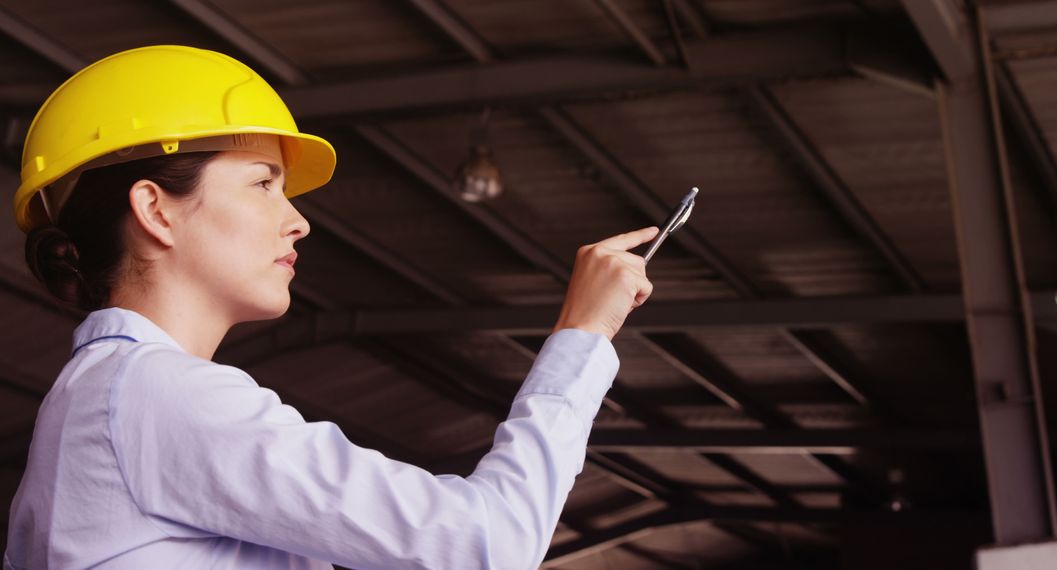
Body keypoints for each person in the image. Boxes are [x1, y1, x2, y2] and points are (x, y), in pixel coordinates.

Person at [2, 45, 657, 569]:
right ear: (155, 210)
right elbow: (489, 543)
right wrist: (583, 334)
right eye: (264, 184)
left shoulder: (103, 398)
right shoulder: (158, 395)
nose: (298, 223)